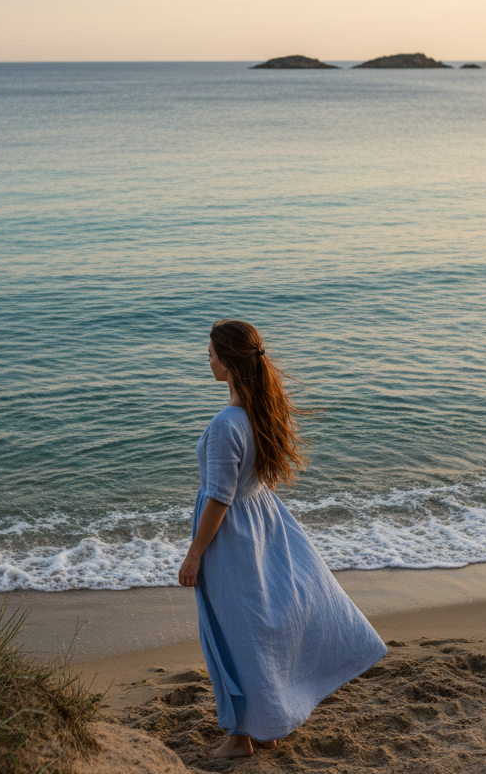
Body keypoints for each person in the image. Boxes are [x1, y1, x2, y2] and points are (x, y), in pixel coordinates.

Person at [178, 319, 387, 759]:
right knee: (256, 628)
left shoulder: (225, 424)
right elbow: (252, 481)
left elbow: (218, 496)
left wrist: (195, 554)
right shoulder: (260, 411)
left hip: (231, 537)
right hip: (263, 524)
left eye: (211, 351)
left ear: (229, 360)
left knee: (232, 634)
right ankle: (264, 727)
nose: (207, 357)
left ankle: (239, 737)